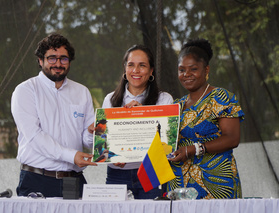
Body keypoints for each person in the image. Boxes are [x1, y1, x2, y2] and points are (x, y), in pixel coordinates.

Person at [11, 33, 97, 198]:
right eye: (52, 58)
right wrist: (72, 156)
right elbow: (35, 137)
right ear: (40, 60)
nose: (58, 63)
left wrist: (93, 133)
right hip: (37, 179)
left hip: (74, 180)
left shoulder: (82, 92)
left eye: (63, 58)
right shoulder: (26, 91)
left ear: (69, 61)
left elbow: (86, 139)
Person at [168, 38, 245, 199]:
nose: (186, 74)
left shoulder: (221, 98)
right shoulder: (176, 105)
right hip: (180, 184)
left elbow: (232, 138)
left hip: (215, 183)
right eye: (181, 70)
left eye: (193, 69)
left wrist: (193, 149)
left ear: (206, 69)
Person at [100, 44, 173, 199]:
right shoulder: (110, 99)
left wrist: (143, 114)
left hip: (152, 172)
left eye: (142, 65)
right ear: (125, 69)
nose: (136, 70)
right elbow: (104, 142)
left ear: (151, 70)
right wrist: (112, 156)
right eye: (131, 65)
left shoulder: (164, 99)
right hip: (117, 174)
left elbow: (168, 144)